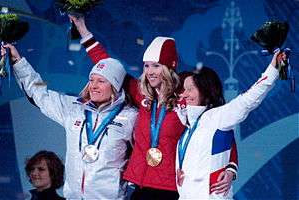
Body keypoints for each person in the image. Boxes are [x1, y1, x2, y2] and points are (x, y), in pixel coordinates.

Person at [69, 16, 239, 200]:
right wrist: (83, 29)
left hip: (169, 188)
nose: (149, 72)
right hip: (138, 186)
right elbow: (107, 66)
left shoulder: (185, 98)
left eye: (156, 66)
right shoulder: (141, 93)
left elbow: (219, 128)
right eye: (146, 66)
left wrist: (230, 168)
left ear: (169, 67)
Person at [2, 44, 138, 199]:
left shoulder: (131, 117)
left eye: (101, 81)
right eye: (91, 80)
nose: (93, 86)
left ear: (115, 86)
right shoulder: (74, 108)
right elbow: (40, 92)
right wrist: (18, 62)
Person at [175, 51, 284, 199]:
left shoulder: (218, 117)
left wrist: (274, 69)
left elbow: (249, 100)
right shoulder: (188, 124)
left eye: (190, 89)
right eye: (183, 90)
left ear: (206, 91)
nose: (184, 94)